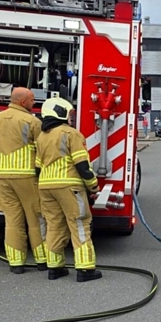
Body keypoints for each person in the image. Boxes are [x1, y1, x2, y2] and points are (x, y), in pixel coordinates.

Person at [36, 97, 102, 282]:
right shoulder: (71, 134)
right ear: (61, 112)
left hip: (46, 187)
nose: (71, 117)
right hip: (69, 186)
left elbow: (37, 168)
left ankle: (55, 268)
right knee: (80, 223)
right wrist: (93, 186)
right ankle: (85, 270)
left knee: (54, 226)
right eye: (69, 113)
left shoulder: (42, 137)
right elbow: (82, 165)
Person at [0, 87, 48, 274]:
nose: (34, 103)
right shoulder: (32, 121)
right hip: (26, 175)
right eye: (32, 100)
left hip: (3, 176)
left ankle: (16, 263)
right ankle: (42, 260)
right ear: (23, 102)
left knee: (12, 221)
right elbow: (42, 146)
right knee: (35, 219)